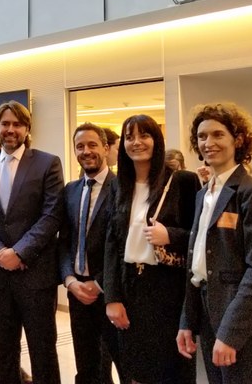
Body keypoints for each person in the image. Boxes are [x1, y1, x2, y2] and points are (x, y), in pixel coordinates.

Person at [177, 104, 252, 384]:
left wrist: (229, 334)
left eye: (218, 134)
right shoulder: (204, 194)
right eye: (202, 136)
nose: (208, 143)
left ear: (238, 140)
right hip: (210, 317)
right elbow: (197, 265)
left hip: (248, 327)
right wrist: (187, 321)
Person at [0, 100, 64, 384]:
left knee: (43, 349)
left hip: (36, 274)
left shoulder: (48, 163)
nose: (10, 130)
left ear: (27, 128)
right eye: (5, 124)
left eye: (17, 124)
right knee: (5, 350)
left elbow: (52, 215)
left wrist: (20, 252)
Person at [103, 115, 198, 384]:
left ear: (157, 140)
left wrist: (171, 235)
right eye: (129, 137)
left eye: (144, 135)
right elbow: (112, 245)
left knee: (173, 370)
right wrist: (112, 297)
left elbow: (201, 238)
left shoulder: (182, 181)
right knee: (135, 370)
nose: (137, 142)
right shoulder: (118, 186)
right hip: (130, 289)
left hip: (169, 291)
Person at [58, 123, 124, 384]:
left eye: (92, 144)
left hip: (111, 292)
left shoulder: (123, 189)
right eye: (80, 146)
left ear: (106, 148)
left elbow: (123, 246)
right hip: (77, 292)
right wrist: (69, 280)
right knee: (86, 367)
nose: (86, 151)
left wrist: (99, 283)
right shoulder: (70, 190)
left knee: (123, 364)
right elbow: (64, 242)